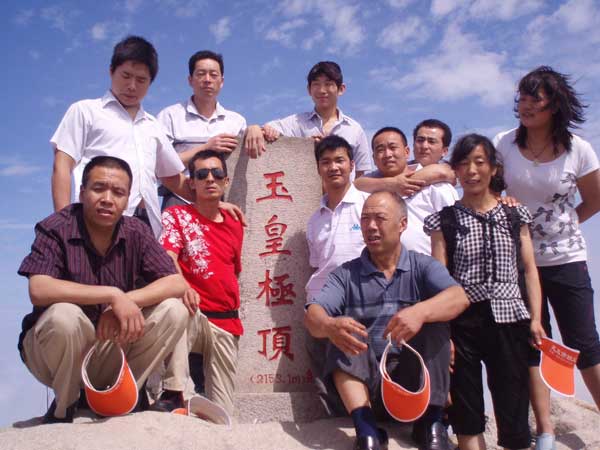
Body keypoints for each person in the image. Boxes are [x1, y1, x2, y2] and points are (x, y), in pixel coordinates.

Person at [17, 156, 189, 423]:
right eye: (99, 189)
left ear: (128, 198)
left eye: (118, 192)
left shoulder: (136, 231)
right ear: (82, 192)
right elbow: (38, 288)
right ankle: (65, 405)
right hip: (52, 351)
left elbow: (176, 283)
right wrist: (112, 295)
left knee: (174, 310)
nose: (108, 199)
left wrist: (127, 300)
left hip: (109, 347)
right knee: (64, 315)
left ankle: (122, 396)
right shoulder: (57, 227)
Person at [305, 190, 469, 450]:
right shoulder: (345, 274)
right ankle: (367, 431)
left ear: (402, 224)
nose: (370, 226)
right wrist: (328, 325)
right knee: (342, 330)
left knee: (434, 323)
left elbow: (459, 297)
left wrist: (420, 312)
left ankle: (431, 424)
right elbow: (313, 314)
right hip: (366, 391)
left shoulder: (422, 266)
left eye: (380, 218)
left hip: (413, 386)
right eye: (365, 219)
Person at [494, 66, 600, 450]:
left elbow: (594, 199)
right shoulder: (504, 143)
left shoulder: (578, 149)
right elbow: (489, 191)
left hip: (567, 259)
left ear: (553, 104)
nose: (524, 105)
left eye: (533, 99)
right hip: (519, 262)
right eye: (521, 98)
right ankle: (545, 431)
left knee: (584, 342)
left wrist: (562, 226)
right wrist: (503, 202)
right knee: (534, 343)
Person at [424, 134, 545, 450]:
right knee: (466, 407)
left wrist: (536, 318)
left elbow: (529, 269)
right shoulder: (444, 220)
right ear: (455, 170)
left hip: (510, 318)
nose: (472, 171)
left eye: (479, 162)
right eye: (464, 163)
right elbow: (439, 280)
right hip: (462, 320)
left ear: (493, 168)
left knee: (513, 402)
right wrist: (444, 333)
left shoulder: (515, 215)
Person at [50, 35, 192, 237]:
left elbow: (172, 178)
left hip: (147, 224)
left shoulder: (153, 126)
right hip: (96, 218)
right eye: (126, 76)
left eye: (141, 80)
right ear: (111, 71)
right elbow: (62, 165)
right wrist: (63, 223)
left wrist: (216, 204)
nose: (132, 86)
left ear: (150, 82)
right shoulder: (85, 111)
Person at [154, 150, 244, 415]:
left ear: (226, 181)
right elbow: (167, 257)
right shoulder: (175, 216)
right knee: (177, 311)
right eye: (202, 174)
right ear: (191, 183)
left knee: (223, 411)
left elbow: (233, 269)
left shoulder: (235, 222)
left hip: (226, 321)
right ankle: (173, 392)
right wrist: (184, 287)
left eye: (217, 173)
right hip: (194, 314)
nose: (210, 179)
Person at [245, 61, 373, 177]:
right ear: (309, 90)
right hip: (304, 193)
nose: (322, 90)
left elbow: (359, 174)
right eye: (316, 84)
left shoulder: (355, 129)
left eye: (328, 84)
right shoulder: (296, 122)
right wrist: (254, 128)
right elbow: (267, 129)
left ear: (341, 89)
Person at [157, 50, 247, 210]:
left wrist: (255, 129)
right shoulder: (170, 116)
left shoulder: (236, 121)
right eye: (201, 74)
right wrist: (206, 147)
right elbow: (159, 165)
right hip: (179, 200)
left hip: (223, 203)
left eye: (213, 75)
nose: (207, 80)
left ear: (222, 81)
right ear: (190, 80)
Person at [356, 127, 458, 255]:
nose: (387, 154)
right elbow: (355, 184)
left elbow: (457, 232)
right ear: (374, 158)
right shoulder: (365, 191)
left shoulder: (437, 187)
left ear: (406, 152)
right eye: (380, 150)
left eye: (393, 147)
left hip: (429, 265)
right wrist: (392, 184)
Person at [306, 135, 369, 303]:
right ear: (318, 169)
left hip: (362, 302)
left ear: (352, 165)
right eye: (326, 162)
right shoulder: (314, 221)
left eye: (339, 160)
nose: (333, 167)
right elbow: (317, 266)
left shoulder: (368, 205)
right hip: (322, 304)